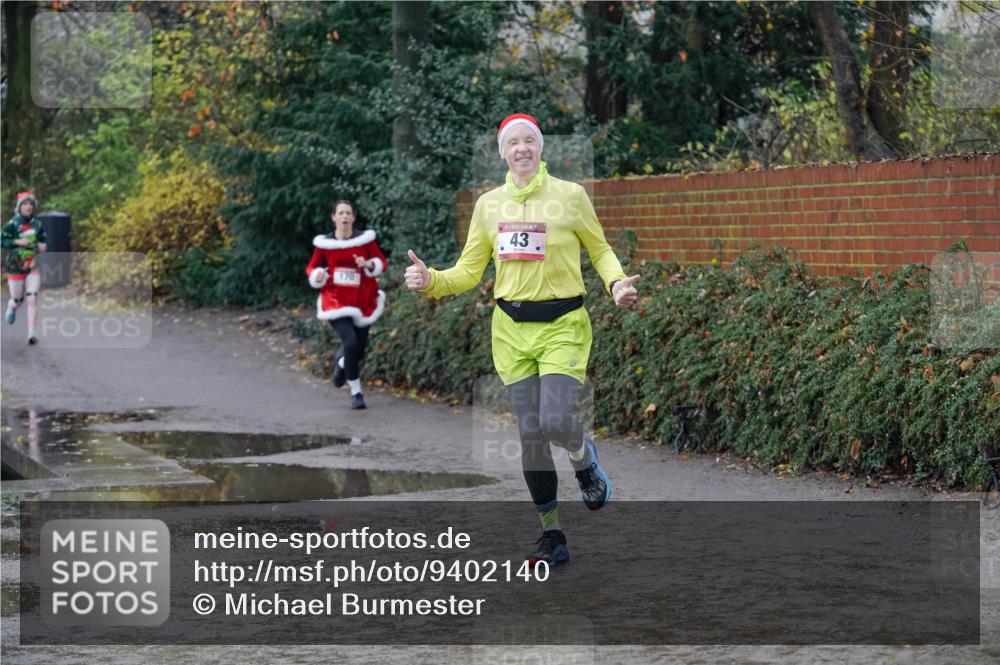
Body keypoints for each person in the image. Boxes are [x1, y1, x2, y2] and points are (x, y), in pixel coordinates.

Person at [405, 114, 639, 565]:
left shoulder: (570, 196)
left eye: (529, 140)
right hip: (511, 332)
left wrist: (616, 285)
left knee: (554, 419)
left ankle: (582, 455)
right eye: (512, 142)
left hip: (563, 327)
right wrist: (430, 279)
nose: (522, 148)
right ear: (501, 152)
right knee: (531, 437)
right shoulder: (489, 205)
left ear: (541, 147)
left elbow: (601, 249)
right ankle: (552, 536)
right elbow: (469, 272)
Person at [306, 200, 387, 410]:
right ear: (333, 217)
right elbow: (311, 267)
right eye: (340, 213)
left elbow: (381, 262)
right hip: (336, 302)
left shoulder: (364, 241)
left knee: (358, 351)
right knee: (350, 344)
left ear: (353, 217)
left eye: (347, 213)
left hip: (362, 301)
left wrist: (368, 264)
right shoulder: (324, 244)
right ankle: (356, 393)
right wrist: (318, 274)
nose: (344, 217)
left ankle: (342, 364)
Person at [3, 191, 47, 345]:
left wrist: (43, 246)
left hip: (32, 265)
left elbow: (43, 240)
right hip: (15, 266)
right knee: (18, 299)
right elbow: (2, 241)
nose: (29, 207)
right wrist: (17, 241)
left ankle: (31, 334)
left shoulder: (37, 224)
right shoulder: (11, 224)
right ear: (19, 206)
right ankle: (12, 305)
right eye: (25, 204)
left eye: (31, 204)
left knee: (32, 298)